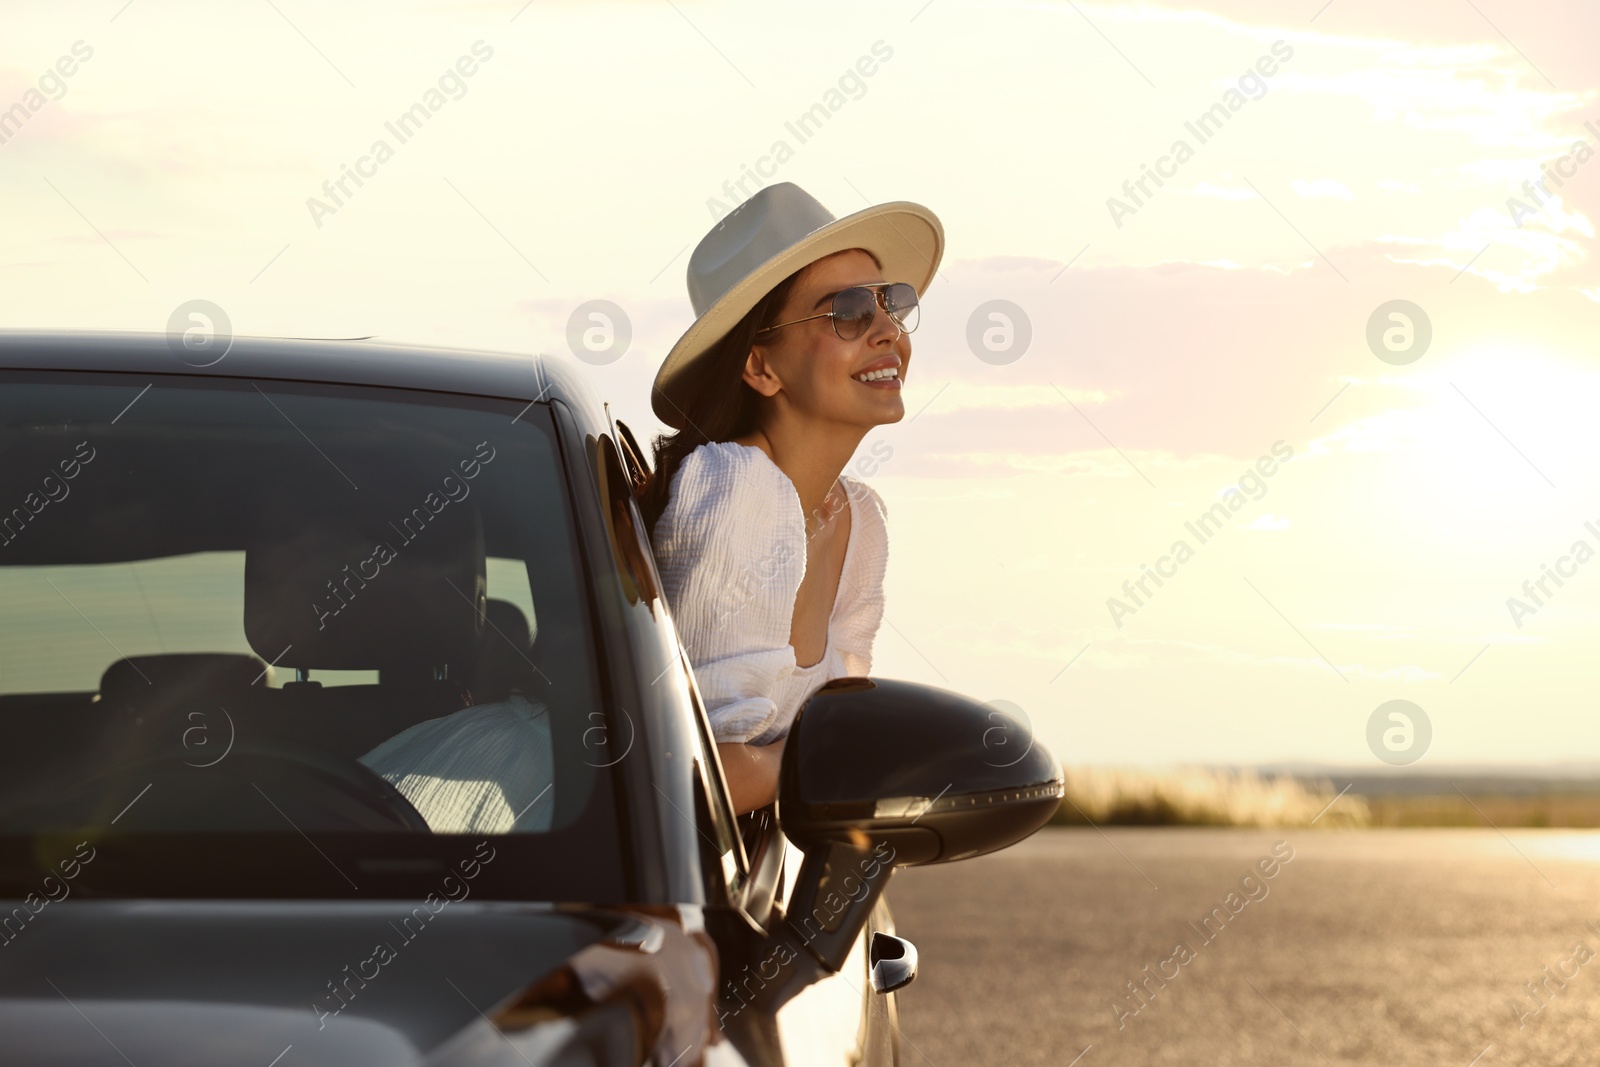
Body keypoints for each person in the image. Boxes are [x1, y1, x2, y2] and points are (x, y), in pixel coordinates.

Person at [638, 181, 944, 815]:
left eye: (891, 303)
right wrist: (820, 759)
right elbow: (693, 780)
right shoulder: (734, 491)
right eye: (850, 310)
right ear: (760, 368)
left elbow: (841, 725)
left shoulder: (859, 520)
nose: (888, 330)